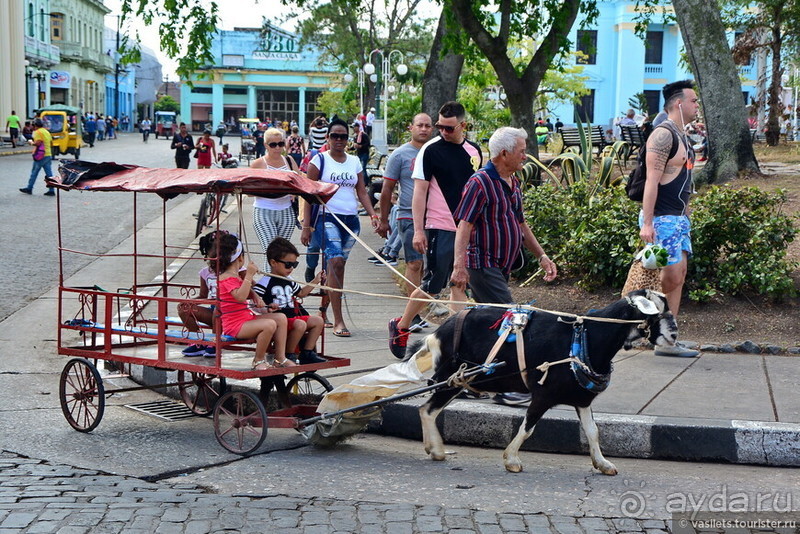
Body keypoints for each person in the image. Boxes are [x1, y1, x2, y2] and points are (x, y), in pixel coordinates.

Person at [450, 127, 558, 404]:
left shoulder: (513, 181)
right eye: (521, 151)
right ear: (504, 153)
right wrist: (459, 266)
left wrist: (542, 256)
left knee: (487, 324)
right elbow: (464, 225)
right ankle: (511, 386)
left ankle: (468, 379)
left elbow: (521, 224)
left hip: (501, 266)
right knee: (512, 320)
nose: (525, 155)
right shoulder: (480, 182)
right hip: (482, 263)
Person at [388, 101, 483, 358]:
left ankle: (457, 340)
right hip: (440, 225)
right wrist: (419, 230)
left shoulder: (474, 150)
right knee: (433, 285)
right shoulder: (430, 150)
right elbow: (419, 192)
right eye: (440, 126)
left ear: (463, 125)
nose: (443, 131)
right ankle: (401, 325)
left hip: (466, 227)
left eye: (449, 128)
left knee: (459, 282)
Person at [301, 117, 379, 337]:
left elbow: (361, 191)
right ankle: (339, 320)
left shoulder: (354, 161)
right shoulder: (319, 160)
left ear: (348, 139)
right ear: (327, 137)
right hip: (327, 218)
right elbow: (308, 195)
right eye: (334, 136)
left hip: (351, 220)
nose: (339, 140)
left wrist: (373, 214)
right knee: (335, 262)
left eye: (343, 136)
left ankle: (324, 310)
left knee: (338, 266)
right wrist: (306, 226)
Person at [639, 79, 700, 358]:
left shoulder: (682, 134)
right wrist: (648, 223)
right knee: (669, 275)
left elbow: (683, 180)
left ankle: (667, 340)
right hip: (662, 218)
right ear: (679, 103)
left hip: (678, 219)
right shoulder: (663, 135)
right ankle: (644, 319)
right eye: (693, 101)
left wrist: (686, 215)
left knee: (679, 275)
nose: (697, 105)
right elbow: (651, 181)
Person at [377, 112, 433, 329]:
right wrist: (383, 220)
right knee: (414, 263)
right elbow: (387, 189)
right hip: (408, 215)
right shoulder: (400, 155)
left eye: (428, 126)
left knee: (431, 266)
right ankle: (413, 316)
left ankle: (421, 309)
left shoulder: (435, 152)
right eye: (420, 125)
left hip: (434, 217)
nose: (424, 129)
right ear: (411, 128)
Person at [215, 234, 295, 370]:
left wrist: (256, 297)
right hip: (234, 326)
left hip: (246, 319)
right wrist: (249, 275)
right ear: (240, 257)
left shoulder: (235, 276)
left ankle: (280, 358)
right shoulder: (226, 277)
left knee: (281, 318)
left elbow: (247, 291)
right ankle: (258, 360)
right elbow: (240, 297)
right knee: (269, 324)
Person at [253, 237, 327, 365]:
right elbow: (254, 301)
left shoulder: (290, 280)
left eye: (294, 265)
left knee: (318, 321)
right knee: (300, 324)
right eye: (288, 264)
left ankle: (307, 352)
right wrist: (266, 308)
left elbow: (301, 293)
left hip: (293, 318)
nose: (291, 268)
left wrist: (316, 281)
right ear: (273, 262)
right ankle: (288, 354)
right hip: (280, 321)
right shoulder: (265, 282)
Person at [251, 127, 299, 271]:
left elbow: (300, 183)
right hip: (264, 210)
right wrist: (270, 188)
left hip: (286, 211)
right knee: (270, 251)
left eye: (281, 144)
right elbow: (248, 191)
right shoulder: (258, 164)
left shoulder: (289, 160)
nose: (278, 148)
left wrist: (293, 192)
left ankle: (280, 281)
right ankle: (269, 282)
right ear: (266, 145)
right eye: (273, 145)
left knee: (283, 254)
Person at [178, 230, 226, 357]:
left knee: (218, 309)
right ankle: (198, 341)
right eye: (214, 252)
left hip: (230, 312)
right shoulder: (205, 272)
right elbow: (203, 295)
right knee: (184, 308)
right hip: (214, 311)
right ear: (208, 252)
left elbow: (251, 287)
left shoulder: (237, 269)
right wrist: (189, 303)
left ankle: (215, 343)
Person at [19, 118, 56, 196]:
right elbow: (51, 143)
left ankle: (29, 188)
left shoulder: (38, 132)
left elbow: (37, 143)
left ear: (35, 125)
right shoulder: (46, 131)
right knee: (49, 174)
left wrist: (31, 142)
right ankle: (51, 190)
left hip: (40, 155)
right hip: (48, 154)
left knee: (34, 173)